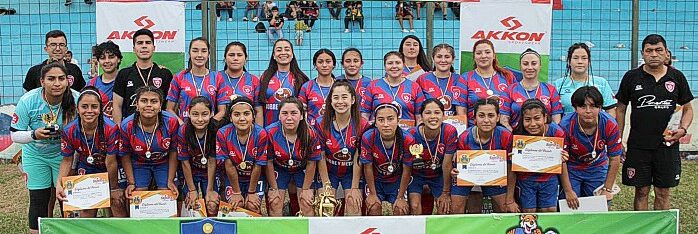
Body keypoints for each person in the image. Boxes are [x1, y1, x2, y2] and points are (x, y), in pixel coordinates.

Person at [616, 34, 693, 211]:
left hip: (667, 145)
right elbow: (620, 109)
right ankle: (643, 229)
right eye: (649, 50)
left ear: (667, 53)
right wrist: (618, 140)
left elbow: (688, 108)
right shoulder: (631, 77)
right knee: (641, 191)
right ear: (642, 54)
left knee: (663, 192)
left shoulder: (677, 77)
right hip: (638, 145)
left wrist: (683, 128)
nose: (654, 54)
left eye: (658, 50)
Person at [11, 63, 78, 233]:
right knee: (38, 198)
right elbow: (14, 134)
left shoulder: (77, 99)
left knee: (68, 199)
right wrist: (34, 134)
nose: (57, 83)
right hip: (35, 155)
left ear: (67, 81)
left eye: (61, 79)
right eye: (51, 79)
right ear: (42, 81)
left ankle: (72, 230)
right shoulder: (28, 100)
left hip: (65, 156)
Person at [56, 87, 126, 218]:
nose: (89, 111)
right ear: (77, 108)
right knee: (87, 211)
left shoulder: (110, 129)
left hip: (109, 168)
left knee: (117, 204)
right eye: (84, 106)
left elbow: (110, 162)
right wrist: (59, 183)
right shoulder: (69, 130)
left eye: (94, 106)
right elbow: (67, 160)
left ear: (100, 109)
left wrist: (114, 188)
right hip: (87, 167)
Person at [559, 87, 622, 210]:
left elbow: (615, 158)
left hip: (597, 166)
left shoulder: (610, 124)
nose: (588, 111)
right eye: (583, 107)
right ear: (575, 108)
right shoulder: (566, 125)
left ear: (600, 107)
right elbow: (562, 159)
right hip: (572, 167)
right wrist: (568, 190)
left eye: (593, 106)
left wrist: (607, 189)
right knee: (569, 205)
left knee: (600, 205)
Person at [450, 97, 513, 214]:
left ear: (498, 117)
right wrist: (454, 171)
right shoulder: (465, 137)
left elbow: (511, 168)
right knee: (455, 208)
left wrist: (510, 200)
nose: (486, 120)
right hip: (469, 177)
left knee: (504, 208)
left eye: (491, 115)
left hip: (496, 177)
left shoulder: (506, 135)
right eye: (481, 115)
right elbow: (457, 166)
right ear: (474, 118)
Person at [119, 86, 179, 206]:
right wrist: (131, 182)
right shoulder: (127, 125)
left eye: (154, 101)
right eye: (144, 101)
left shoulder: (171, 122)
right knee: (136, 195)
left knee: (167, 194)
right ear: (136, 104)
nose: (149, 105)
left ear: (161, 105)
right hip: (139, 163)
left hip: (163, 162)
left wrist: (170, 180)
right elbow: (124, 154)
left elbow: (174, 151)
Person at [316, 80, 368, 215]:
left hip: (351, 172)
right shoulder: (321, 123)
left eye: (344, 97)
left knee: (353, 203)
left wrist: (355, 187)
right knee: (325, 205)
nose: (340, 102)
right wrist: (327, 185)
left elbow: (359, 156)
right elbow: (320, 155)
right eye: (336, 97)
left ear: (352, 100)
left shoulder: (362, 124)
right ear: (330, 101)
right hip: (329, 170)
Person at [266, 98, 323, 216]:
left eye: (294, 113)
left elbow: (311, 163)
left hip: (301, 169)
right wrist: (274, 188)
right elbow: (269, 162)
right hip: (279, 168)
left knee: (306, 203)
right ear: (279, 116)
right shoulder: (270, 132)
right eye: (284, 113)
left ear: (302, 116)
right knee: (275, 202)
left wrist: (306, 190)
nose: (289, 118)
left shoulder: (310, 133)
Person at [511, 99, 569, 213]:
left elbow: (562, 163)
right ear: (522, 119)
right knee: (529, 212)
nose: (532, 124)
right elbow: (511, 167)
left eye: (537, 118)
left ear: (545, 117)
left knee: (549, 211)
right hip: (526, 179)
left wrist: (568, 190)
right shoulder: (517, 134)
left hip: (549, 178)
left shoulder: (556, 133)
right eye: (527, 119)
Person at [214, 97, 268, 214]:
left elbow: (258, 165)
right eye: (237, 114)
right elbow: (228, 165)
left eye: (246, 114)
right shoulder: (223, 133)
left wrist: (252, 192)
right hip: (233, 177)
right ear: (230, 117)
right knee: (235, 205)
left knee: (252, 205)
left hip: (255, 177)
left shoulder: (261, 134)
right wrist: (237, 193)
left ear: (253, 116)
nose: (242, 118)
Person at [360, 103, 416, 215]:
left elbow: (407, 169)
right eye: (381, 120)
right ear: (375, 122)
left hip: (397, 181)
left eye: (390, 119)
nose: (386, 124)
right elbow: (367, 167)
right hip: (376, 181)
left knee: (401, 209)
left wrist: (400, 197)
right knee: (373, 207)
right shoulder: (368, 137)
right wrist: (372, 194)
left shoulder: (408, 139)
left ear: (398, 120)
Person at [406, 99, 457, 215]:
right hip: (416, 176)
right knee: (414, 206)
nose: (433, 117)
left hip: (438, 175)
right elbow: (407, 166)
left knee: (444, 207)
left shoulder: (449, 131)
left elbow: (447, 164)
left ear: (443, 116)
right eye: (428, 113)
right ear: (421, 117)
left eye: (437, 112)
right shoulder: (411, 135)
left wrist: (445, 193)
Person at [113, 28, 174, 125]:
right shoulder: (124, 74)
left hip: (159, 129)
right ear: (134, 49)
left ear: (154, 48)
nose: (144, 46)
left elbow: (171, 106)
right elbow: (117, 105)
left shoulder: (165, 74)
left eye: (148, 43)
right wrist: (119, 130)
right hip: (131, 129)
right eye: (140, 43)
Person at [176, 97, 222, 216]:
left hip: (210, 171)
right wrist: (192, 190)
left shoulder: (216, 129)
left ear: (212, 114)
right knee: (190, 202)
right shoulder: (183, 130)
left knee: (212, 203)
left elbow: (212, 161)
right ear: (189, 114)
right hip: (191, 171)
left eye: (205, 114)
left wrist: (210, 190)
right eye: (195, 114)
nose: (200, 119)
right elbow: (184, 162)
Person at [167, 38, 228, 122]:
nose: (199, 55)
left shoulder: (217, 77)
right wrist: (181, 124)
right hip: (184, 131)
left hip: (210, 131)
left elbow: (222, 111)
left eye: (204, 51)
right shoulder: (179, 77)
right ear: (189, 54)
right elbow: (169, 109)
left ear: (208, 54)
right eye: (195, 51)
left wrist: (210, 125)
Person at [501, 49, 563, 130]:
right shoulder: (509, 90)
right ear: (520, 66)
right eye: (525, 64)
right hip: (517, 139)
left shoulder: (551, 90)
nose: (530, 67)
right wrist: (514, 137)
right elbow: (503, 120)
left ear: (540, 66)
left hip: (544, 139)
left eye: (534, 63)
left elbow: (556, 120)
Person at [361, 51, 425, 129]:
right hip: (380, 135)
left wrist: (417, 135)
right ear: (385, 66)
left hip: (408, 136)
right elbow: (364, 115)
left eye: (398, 63)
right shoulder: (373, 86)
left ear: (403, 65)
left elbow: (419, 118)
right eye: (390, 63)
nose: (394, 66)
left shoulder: (414, 87)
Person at [552, 43, 617, 117]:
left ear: (589, 61)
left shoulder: (601, 83)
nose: (580, 62)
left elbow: (610, 111)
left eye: (584, 58)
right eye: (575, 58)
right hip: (567, 127)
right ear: (569, 61)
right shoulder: (558, 85)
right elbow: (554, 114)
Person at [463, 39, 515, 126]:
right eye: (479, 53)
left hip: (502, 130)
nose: (483, 56)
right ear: (474, 57)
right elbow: (461, 110)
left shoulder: (507, 76)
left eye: (487, 52)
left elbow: (514, 105)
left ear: (494, 55)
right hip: (474, 130)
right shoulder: (465, 78)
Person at [258, 39, 310, 126]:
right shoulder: (265, 77)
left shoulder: (300, 78)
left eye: (287, 49)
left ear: (292, 54)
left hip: (293, 128)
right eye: (279, 50)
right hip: (269, 129)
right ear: (274, 55)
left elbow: (304, 109)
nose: (283, 52)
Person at [416, 43, 467, 117]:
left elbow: (462, 110)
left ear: (453, 59)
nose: (443, 60)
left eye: (447, 57)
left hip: (454, 125)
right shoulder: (423, 79)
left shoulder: (460, 79)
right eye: (439, 57)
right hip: (430, 123)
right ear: (433, 58)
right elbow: (418, 109)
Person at [220, 42, 263, 126]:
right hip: (220, 130)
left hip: (247, 131)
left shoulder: (253, 80)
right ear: (225, 58)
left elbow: (258, 111)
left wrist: (258, 134)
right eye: (231, 55)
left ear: (246, 58)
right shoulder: (217, 77)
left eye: (239, 55)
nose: (235, 58)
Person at [299, 49, 336, 127]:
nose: (324, 65)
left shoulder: (340, 86)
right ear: (315, 65)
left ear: (334, 65)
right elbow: (301, 113)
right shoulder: (307, 87)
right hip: (313, 132)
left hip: (335, 132)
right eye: (320, 62)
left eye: (328, 61)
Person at [89, 41, 123, 119]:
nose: (107, 61)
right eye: (102, 58)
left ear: (118, 59)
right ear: (98, 61)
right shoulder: (91, 84)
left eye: (111, 57)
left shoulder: (127, 81)